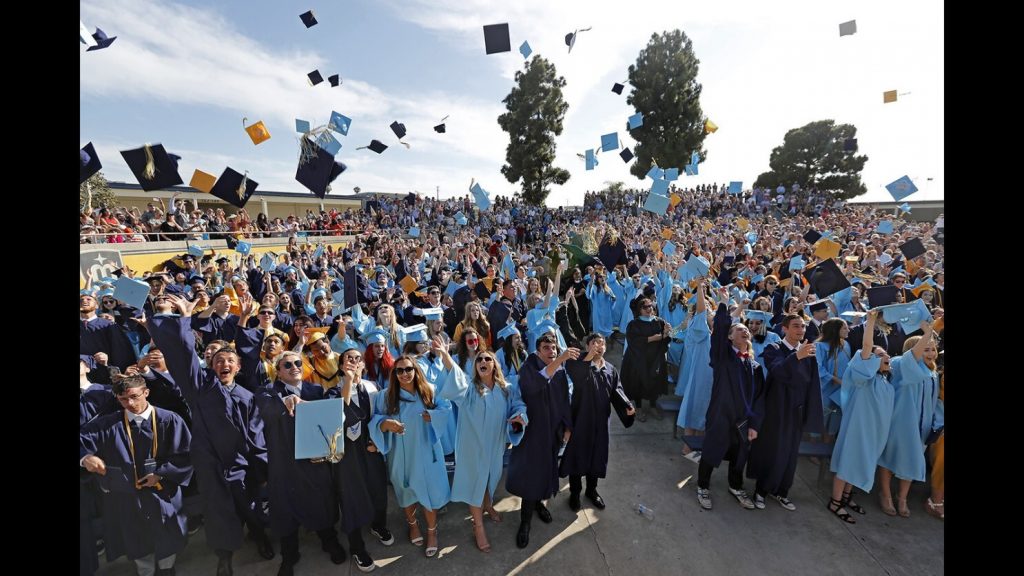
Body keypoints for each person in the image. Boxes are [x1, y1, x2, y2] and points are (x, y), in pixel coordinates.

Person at [145, 295, 273, 576]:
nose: (224, 364)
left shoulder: (246, 396)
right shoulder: (200, 388)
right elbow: (183, 355)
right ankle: (224, 556)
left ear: (238, 367)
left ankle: (260, 536)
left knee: (249, 505)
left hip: (241, 463)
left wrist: (261, 464)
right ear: (210, 367)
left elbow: (256, 433)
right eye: (217, 360)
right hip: (211, 463)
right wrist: (182, 320)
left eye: (230, 360)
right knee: (217, 513)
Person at [80, 373, 193, 576]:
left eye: (134, 396)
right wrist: (85, 457)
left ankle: (167, 569)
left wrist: (161, 474)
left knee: (166, 533)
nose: (130, 403)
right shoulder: (108, 424)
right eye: (123, 399)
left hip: (162, 492)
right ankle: (146, 572)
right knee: (137, 538)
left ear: (146, 392)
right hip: (127, 495)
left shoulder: (169, 420)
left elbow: (186, 455)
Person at [252, 350, 348, 575]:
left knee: (321, 500)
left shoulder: (314, 390)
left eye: (298, 363)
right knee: (286, 508)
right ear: (278, 371)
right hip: (284, 463)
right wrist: (287, 400)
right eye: (287, 365)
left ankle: (328, 539)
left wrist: (327, 451)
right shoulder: (267, 392)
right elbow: (266, 412)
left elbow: (327, 422)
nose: (294, 367)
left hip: (313, 459)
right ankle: (289, 553)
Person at [438, 339, 528, 552]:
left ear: (495, 364)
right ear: (476, 366)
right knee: (475, 483)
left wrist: (519, 417)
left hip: (495, 444)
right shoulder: (470, 389)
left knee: (491, 476)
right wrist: (445, 356)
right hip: (472, 447)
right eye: (479, 359)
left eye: (488, 358)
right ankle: (478, 526)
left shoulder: (506, 389)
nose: (483, 361)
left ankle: (488, 505)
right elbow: (456, 377)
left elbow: (518, 405)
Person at [369, 355, 453, 559]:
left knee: (429, 494)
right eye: (400, 371)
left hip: (426, 452)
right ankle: (413, 525)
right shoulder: (386, 396)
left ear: (416, 371)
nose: (405, 374)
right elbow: (375, 419)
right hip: (401, 453)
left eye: (408, 369)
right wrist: (385, 424)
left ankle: (432, 533)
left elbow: (446, 408)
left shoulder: (429, 391)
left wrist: (432, 416)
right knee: (405, 491)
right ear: (394, 374)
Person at [506, 332, 579, 549]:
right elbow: (532, 387)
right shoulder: (529, 366)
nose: (552, 351)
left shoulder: (560, 371)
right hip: (533, 434)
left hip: (552, 433)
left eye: (554, 347)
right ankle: (525, 523)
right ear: (537, 350)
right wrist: (559, 360)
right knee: (531, 477)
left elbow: (565, 399)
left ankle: (538, 505)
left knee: (546, 473)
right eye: (547, 348)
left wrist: (568, 427)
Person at [746, 312, 823, 511]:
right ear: (785, 329)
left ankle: (781, 491)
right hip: (776, 409)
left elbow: (812, 384)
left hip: (796, 410)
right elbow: (777, 370)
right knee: (772, 450)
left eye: (803, 326)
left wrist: (810, 412)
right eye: (796, 326)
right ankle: (761, 491)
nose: (801, 330)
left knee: (790, 454)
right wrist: (797, 356)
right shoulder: (774, 348)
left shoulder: (808, 352)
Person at [694, 301, 766, 511]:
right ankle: (703, 486)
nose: (745, 330)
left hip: (743, 419)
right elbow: (719, 331)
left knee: (740, 454)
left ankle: (735, 486)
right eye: (739, 329)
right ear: (729, 336)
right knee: (712, 450)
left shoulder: (755, 367)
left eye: (746, 329)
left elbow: (759, 398)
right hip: (720, 414)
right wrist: (733, 308)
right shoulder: (722, 357)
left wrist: (754, 424)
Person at [328, 344, 395, 571]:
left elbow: (380, 417)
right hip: (347, 453)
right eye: (348, 359)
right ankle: (357, 546)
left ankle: (378, 524)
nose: (354, 362)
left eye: (357, 358)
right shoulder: (332, 390)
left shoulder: (373, 388)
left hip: (370, 448)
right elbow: (338, 414)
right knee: (351, 497)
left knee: (377, 488)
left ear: (364, 365)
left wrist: (378, 440)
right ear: (341, 365)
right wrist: (348, 381)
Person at [827, 310, 896, 524]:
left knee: (862, 463)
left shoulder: (886, 383)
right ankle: (835, 502)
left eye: (886, 355)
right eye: (879, 355)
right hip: (858, 428)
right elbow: (867, 348)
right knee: (848, 462)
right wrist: (871, 321)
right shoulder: (862, 379)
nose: (885, 357)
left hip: (875, 433)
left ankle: (847, 497)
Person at [560, 333, 635, 511]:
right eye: (594, 343)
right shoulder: (576, 364)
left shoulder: (610, 369)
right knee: (578, 458)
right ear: (587, 346)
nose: (598, 346)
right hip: (580, 421)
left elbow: (617, 391)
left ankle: (591, 491)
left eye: (601, 344)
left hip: (601, 422)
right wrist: (588, 357)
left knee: (596, 456)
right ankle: (575, 493)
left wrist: (627, 406)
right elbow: (577, 378)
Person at [877, 322, 942, 518]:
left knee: (912, 461)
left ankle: (902, 497)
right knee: (889, 458)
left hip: (922, 425)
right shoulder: (900, 363)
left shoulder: (932, 372)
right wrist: (928, 332)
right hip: (900, 421)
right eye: (925, 349)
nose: (930, 353)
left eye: (932, 349)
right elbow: (910, 362)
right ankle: (886, 495)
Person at [620, 297, 671, 421]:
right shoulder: (634, 324)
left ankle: (653, 406)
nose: (649, 309)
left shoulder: (659, 321)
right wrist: (652, 338)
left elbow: (666, 339)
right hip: (638, 358)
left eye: (651, 306)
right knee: (638, 381)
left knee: (655, 380)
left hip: (655, 357)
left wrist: (667, 333)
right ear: (639, 310)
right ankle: (638, 407)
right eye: (645, 307)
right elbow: (633, 341)